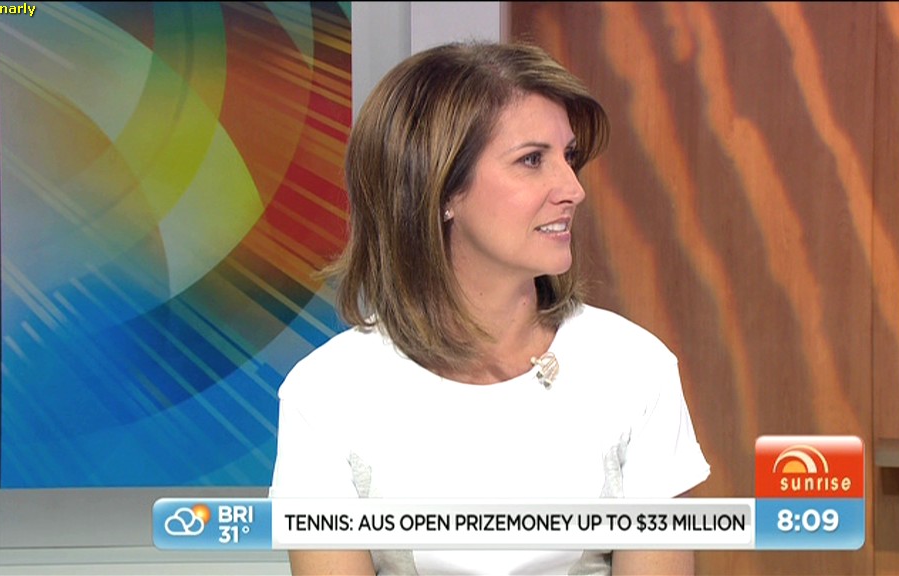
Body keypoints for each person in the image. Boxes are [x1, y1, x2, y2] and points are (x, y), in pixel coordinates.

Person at [269, 40, 711, 575]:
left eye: (569, 157)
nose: (573, 189)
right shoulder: (327, 392)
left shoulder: (634, 368)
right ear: (440, 190)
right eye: (532, 160)